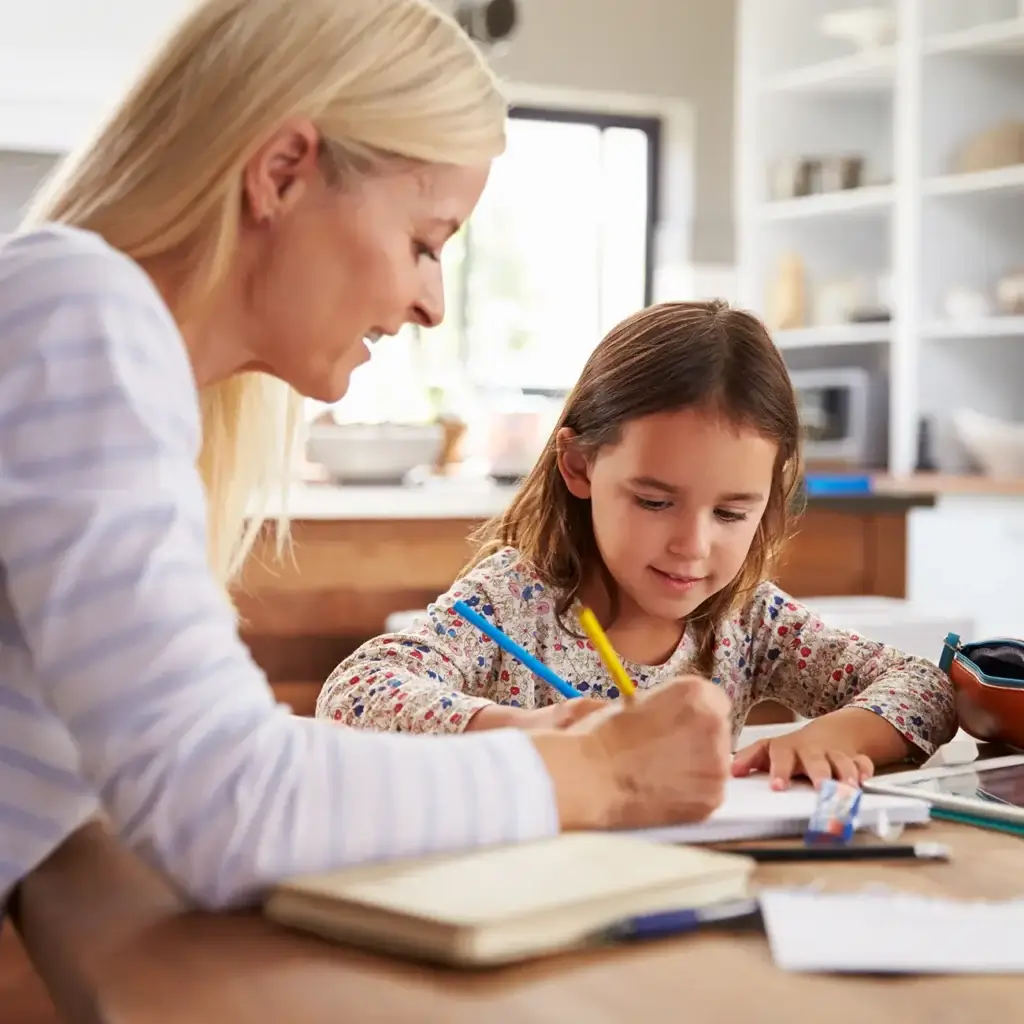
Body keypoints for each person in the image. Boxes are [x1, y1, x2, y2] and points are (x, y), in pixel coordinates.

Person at [0, 0, 734, 914]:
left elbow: (214, 764)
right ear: (282, 172)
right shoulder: (79, 315)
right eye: (424, 244)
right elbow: (228, 804)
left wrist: (528, 753)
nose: (431, 304)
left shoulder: (84, 328)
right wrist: (593, 776)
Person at [318, 301, 959, 787]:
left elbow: (925, 687)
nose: (692, 545)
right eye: (654, 502)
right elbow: (356, 693)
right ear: (579, 466)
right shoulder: (515, 600)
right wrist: (522, 731)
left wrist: (838, 733)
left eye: (733, 512)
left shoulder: (748, 619)